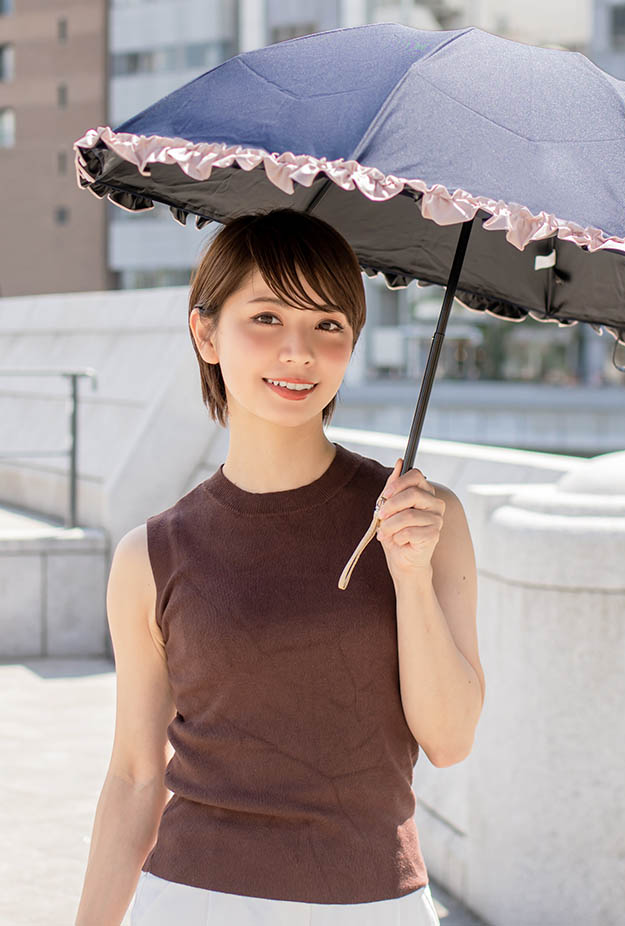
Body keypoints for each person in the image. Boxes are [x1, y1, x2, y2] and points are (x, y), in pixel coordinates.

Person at [74, 209, 486, 926]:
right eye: (265, 317)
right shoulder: (151, 555)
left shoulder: (423, 518)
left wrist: (411, 575)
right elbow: (136, 777)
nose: (298, 352)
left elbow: (449, 742)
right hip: (191, 902)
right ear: (205, 332)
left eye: (327, 324)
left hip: (373, 906)